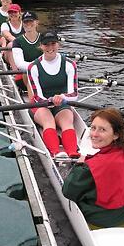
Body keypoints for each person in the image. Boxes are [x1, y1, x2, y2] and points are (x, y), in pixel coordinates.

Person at [62, 108, 124, 229]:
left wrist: (79, 164)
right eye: (93, 128)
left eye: (102, 130)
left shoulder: (88, 169)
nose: (94, 134)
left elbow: (67, 191)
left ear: (116, 135)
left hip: (102, 222)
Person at [27, 31, 79, 159]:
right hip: (40, 105)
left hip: (62, 103)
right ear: (41, 46)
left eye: (53, 44)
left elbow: (74, 94)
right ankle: (55, 153)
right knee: (48, 121)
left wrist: (62, 97)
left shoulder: (69, 64)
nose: (50, 48)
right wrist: (50, 100)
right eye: (46, 44)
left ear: (58, 45)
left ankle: (72, 152)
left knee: (67, 122)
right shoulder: (33, 67)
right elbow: (37, 96)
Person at [11, 11, 42, 92]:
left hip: (43, 73)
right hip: (24, 76)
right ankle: (33, 99)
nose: (28, 24)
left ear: (37, 22)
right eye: (25, 22)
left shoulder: (44, 38)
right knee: (27, 72)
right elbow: (20, 64)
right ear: (22, 23)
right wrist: (40, 67)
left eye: (31, 21)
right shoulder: (17, 41)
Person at [0, 4, 24, 70]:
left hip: (23, 51)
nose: (13, 14)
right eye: (10, 12)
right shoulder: (5, 25)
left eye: (15, 12)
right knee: (11, 45)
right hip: (9, 53)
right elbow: (7, 36)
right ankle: (15, 71)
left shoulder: (25, 24)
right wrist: (22, 44)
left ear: (19, 13)